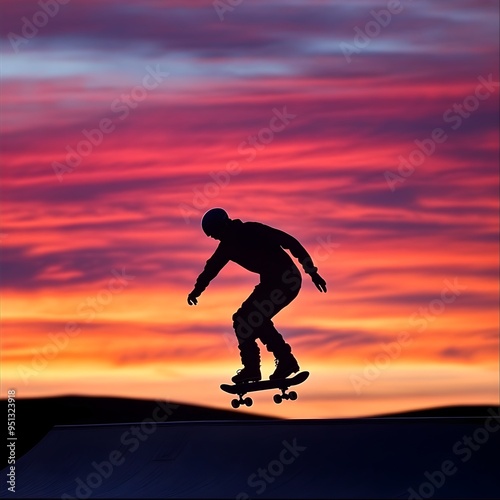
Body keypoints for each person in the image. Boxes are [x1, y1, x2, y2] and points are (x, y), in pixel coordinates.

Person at [187, 208, 327, 383]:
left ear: (223, 225)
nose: (215, 238)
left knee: (254, 318)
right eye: (212, 236)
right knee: (241, 320)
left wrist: (312, 272)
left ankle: (285, 361)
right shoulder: (227, 247)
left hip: (286, 279)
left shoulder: (252, 230)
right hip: (270, 283)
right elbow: (211, 268)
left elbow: (290, 242)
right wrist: (197, 291)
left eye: (215, 233)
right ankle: (252, 368)